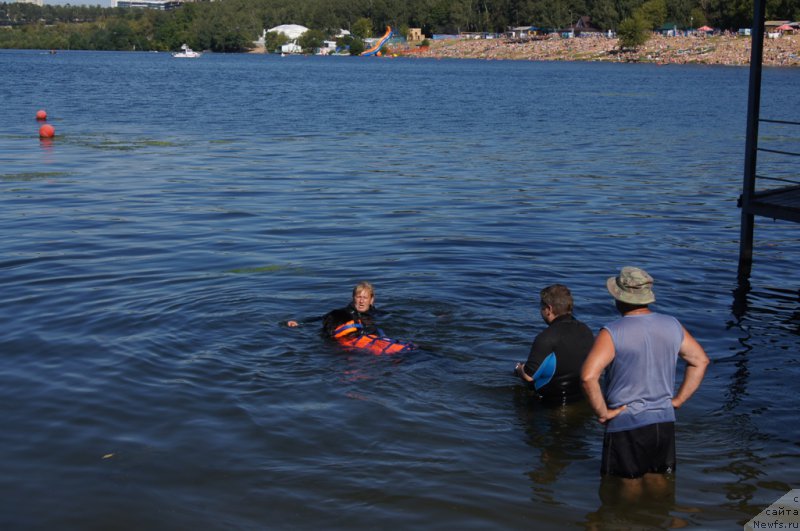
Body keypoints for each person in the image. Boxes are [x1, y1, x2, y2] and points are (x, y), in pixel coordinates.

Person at [581, 266, 710, 487]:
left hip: (626, 423)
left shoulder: (612, 332)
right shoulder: (672, 324)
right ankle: (659, 519)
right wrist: (677, 401)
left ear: (619, 298)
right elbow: (700, 361)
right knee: (659, 482)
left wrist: (603, 413)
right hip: (663, 421)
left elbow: (588, 376)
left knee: (627, 488)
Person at [514, 284, 595, 405]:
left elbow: (529, 376)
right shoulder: (586, 330)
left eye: (541, 307)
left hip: (554, 403)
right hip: (582, 398)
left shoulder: (547, 337)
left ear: (549, 309)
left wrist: (519, 369)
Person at [287, 281, 383, 338]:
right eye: (358, 297)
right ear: (353, 298)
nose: (361, 301)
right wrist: (299, 323)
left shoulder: (377, 314)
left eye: (365, 298)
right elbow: (320, 318)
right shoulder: (343, 313)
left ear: (371, 300)